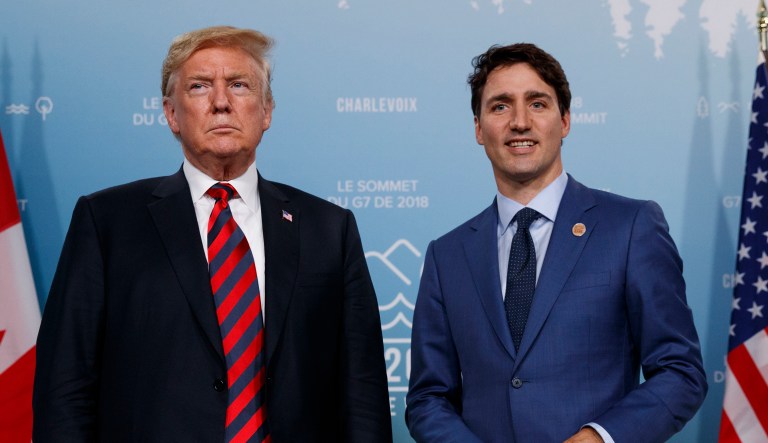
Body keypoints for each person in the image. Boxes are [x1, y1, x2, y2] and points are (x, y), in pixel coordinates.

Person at [33, 26, 392, 443]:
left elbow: (363, 393)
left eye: (239, 85)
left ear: (267, 111)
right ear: (171, 114)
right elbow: (65, 387)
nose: (221, 102)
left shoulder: (329, 228)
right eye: (200, 86)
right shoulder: (106, 222)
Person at [405, 43, 707, 443]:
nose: (519, 122)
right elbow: (428, 398)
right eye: (500, 106)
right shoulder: (447, 256)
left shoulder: (631, 227)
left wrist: (598, 438)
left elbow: (680, 372)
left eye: (537, 104)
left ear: (564, 121)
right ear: (478, 128)